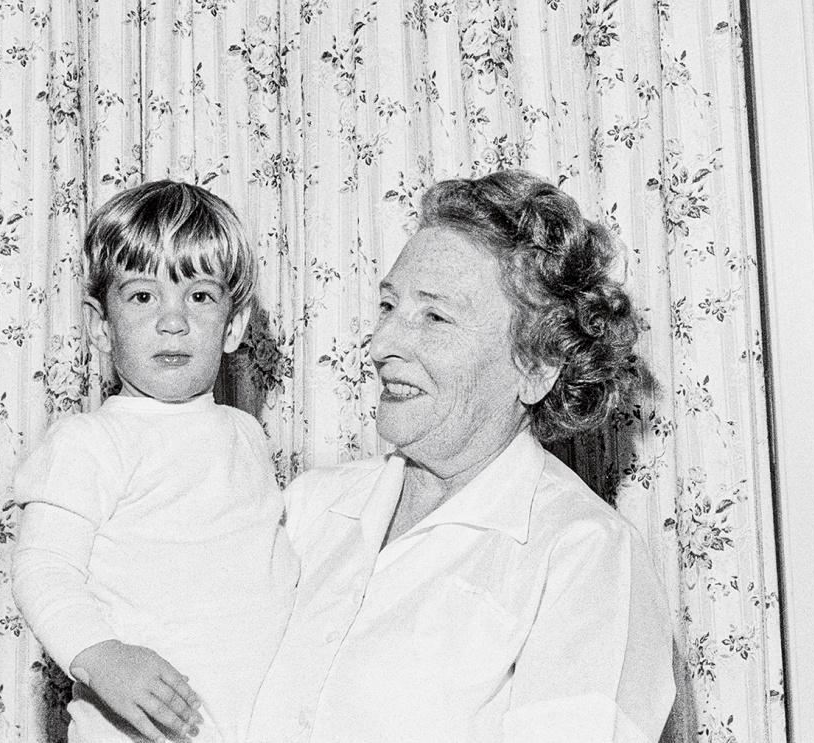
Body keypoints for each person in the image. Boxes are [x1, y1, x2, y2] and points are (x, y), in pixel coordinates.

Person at [247, 170, 675, 743]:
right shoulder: (307, 507)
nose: (381, 346)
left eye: (435, 316)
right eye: (388, 306)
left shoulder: (585, 553)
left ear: (536, 366)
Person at [12, 181, 299, 743]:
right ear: (101, 325)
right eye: (144, 297)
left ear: (234, 324)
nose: (174, 320)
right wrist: (101, 656)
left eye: (199, 296)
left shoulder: (247, 435)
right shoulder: (89, 441)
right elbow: (43, 568)